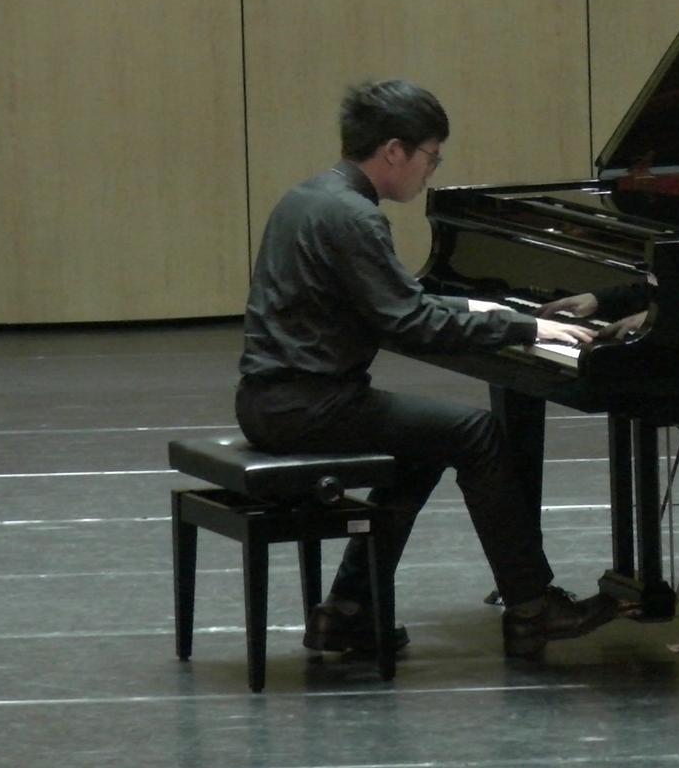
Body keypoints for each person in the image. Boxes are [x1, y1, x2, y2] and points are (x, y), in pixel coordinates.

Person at [235, 78, 616, 659]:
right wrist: (524, 328)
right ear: (395, 151)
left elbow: (394, 301)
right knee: (476, 433)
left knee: (426, 443)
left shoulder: (308, 198)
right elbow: (410, 323)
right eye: (431, 158)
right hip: (310, 408)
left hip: (269, 400)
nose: (430, 172)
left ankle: (350, 609)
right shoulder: (355, 218)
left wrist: (483, 309)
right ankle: (532, 606)